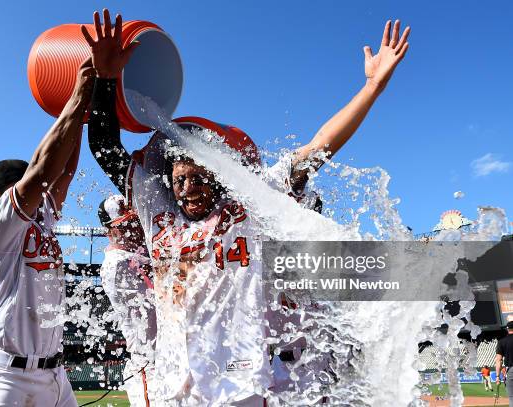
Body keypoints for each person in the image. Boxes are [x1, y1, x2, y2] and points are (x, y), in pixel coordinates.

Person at [87, 9, 410, 404]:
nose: (189, 188)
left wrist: (372, 88)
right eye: (180, 181)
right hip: (173, 387)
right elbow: (105, 147)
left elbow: (317, 147)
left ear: (219, 177)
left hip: (237, 388)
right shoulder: (158, 217)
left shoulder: (247, 207)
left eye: (199, 178)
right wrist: (105, 79)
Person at [0, 52, 95, 406]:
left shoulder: (43, 217)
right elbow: (44, 172)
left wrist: (79, 117)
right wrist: (79, 91)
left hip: (55, 374)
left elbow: (63, 171)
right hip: (10, 374)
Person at [98, 195, 156, 406]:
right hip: (151, 367)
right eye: (127, 225)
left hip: (167, 361)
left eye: (137, 222)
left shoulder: (137, 255)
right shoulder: (117, 264)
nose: (136, 229)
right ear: (109, 231)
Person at [496, 321, 513, 405]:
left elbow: (499, 360)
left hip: (510, 370)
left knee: (512, 398)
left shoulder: (502, 341)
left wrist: (497, 376)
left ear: (507, 329)